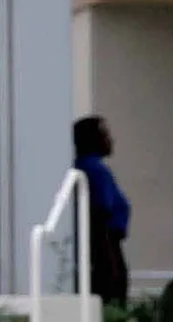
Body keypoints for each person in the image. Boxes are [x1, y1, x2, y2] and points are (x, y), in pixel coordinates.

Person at [72, 116, 131, 306]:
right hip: (104, 242)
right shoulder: (94, 169)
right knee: (111, 291)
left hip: (105, 241)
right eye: (105, 134)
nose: (110, 140)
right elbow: (100, 208)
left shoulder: (91, 167)